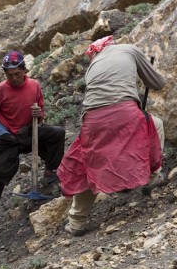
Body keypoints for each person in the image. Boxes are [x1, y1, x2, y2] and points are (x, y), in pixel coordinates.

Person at [57, 35, 167, 236]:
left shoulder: (93, 66)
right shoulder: (130, 50)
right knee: (155, 125)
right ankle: (153, 178)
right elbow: (157, 83)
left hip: (92, 120)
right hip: (124, 112)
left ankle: (76, 223)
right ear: (112, 44)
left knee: (88, 164)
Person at [0, 50, 66, 230]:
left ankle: (50, 172)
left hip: (27, 132)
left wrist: (39, 114)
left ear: (24, 70)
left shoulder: (34, 85)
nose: (15, 78)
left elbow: (41, 113)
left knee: (56, 133)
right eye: (10, 75)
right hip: (6, 137)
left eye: (18, 74)